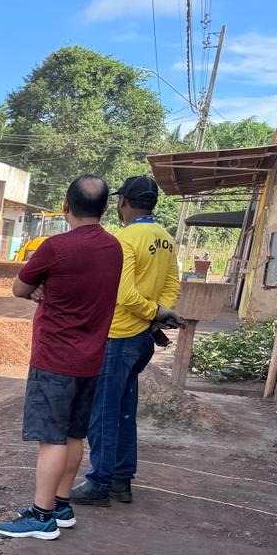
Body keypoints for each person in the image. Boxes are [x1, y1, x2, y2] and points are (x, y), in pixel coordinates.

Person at [0, 175, 123, 540]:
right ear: (105, 208)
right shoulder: (114, 248)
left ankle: (42, 516)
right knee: (73, 434)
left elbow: (19, 287)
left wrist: (40, 289)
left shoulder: (55, 247)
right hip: (91, 360)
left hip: (55, 359)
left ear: (66, 206)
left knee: (51, 439)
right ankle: (62, 505)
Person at [72, 175, 180, 507]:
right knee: (124, 410)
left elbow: (124, 294)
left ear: (123, 203)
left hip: (117, 336)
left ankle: (99, 482)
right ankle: (122, 480)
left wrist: (150, 312)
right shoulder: (166, 239)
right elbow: (172, 287)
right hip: (142, 339)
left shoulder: (124, 239)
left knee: (103, 411)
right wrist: (156, 316)